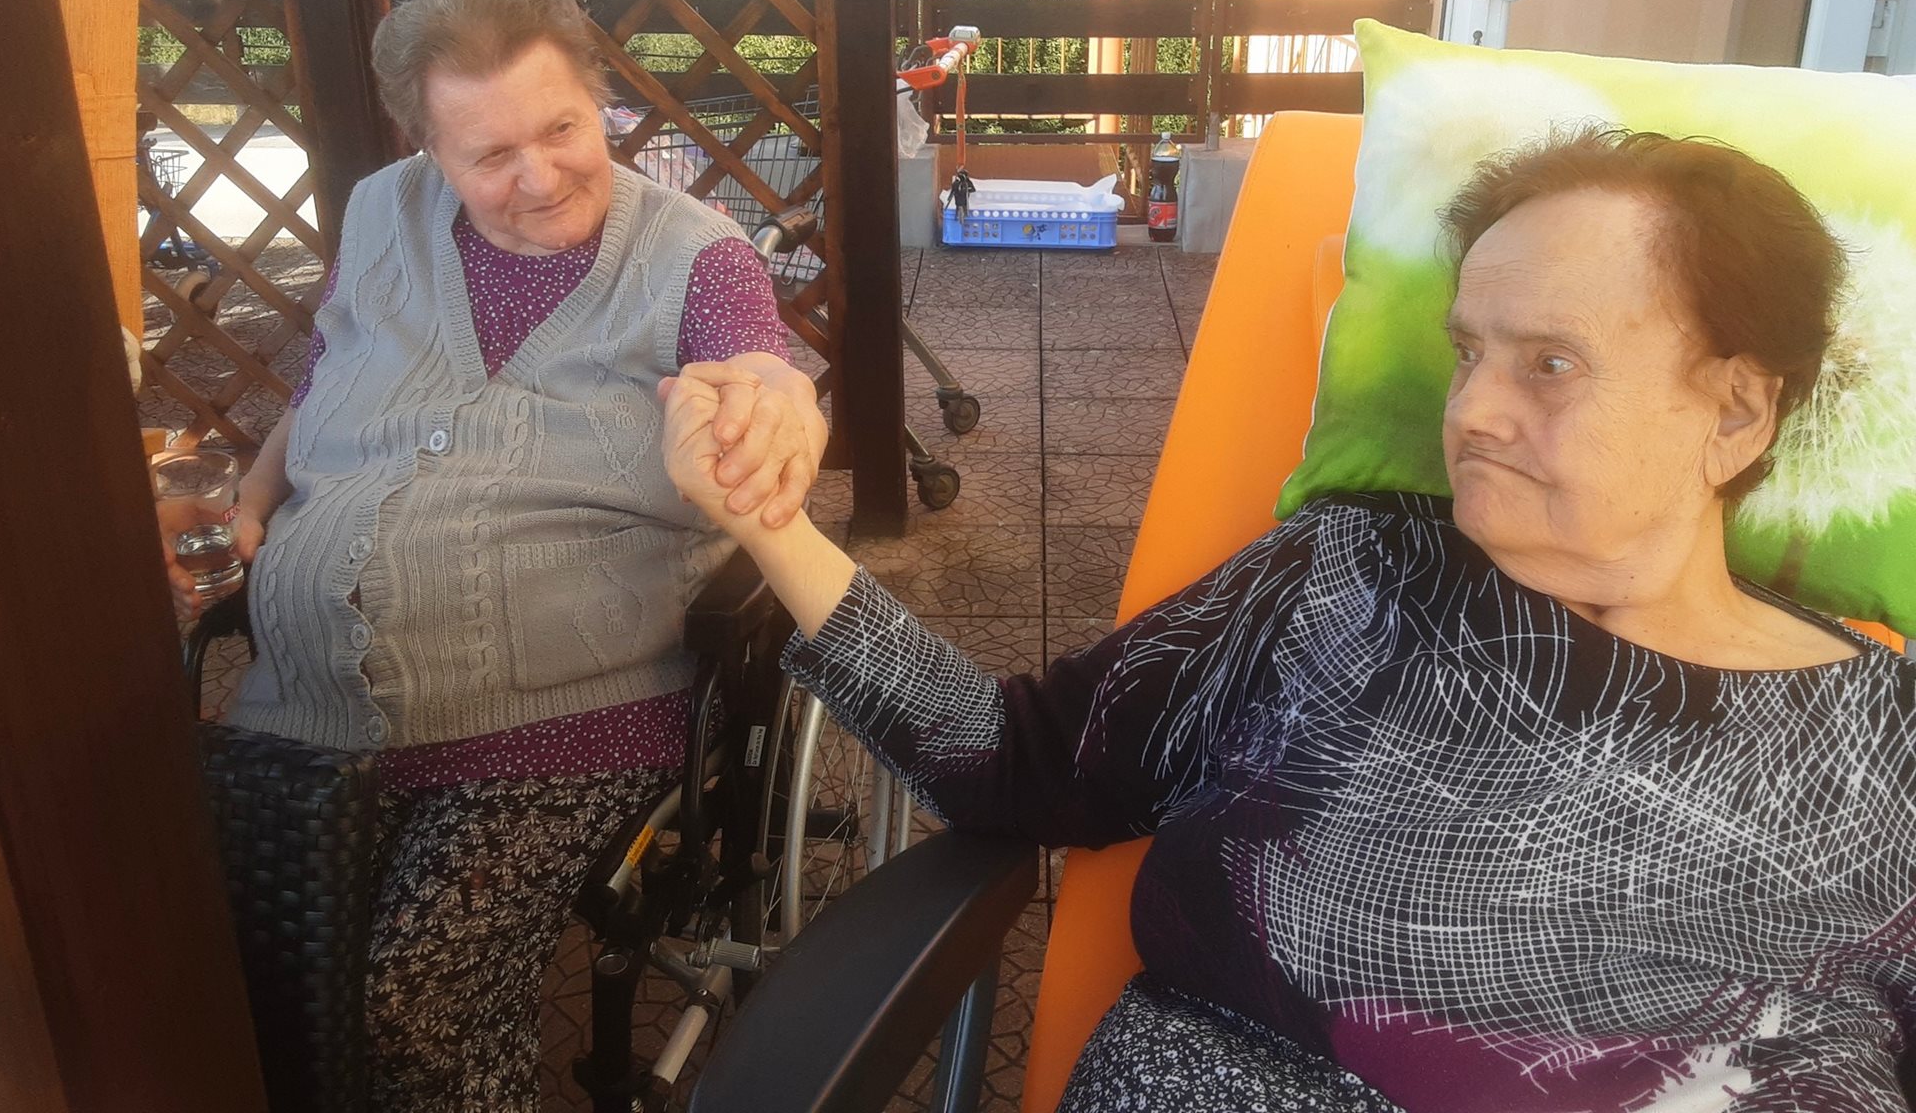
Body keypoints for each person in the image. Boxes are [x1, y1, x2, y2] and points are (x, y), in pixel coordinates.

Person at [662, 128, 1916, 1112]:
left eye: (1549, 364)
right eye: (1467, 352)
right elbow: (1015, 760)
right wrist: (771, 522)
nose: (1471, 411)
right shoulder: (1355, 576)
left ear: (1737, 413)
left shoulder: (1889, 748)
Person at [165, 0, 825, 1111]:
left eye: (562, 129)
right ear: (428, 148)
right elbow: (325, 382)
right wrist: (254, 506)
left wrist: (778, 406)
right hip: (311, 701)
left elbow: (759, 367)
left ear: (600, 97)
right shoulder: (383, 213)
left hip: (560, 718)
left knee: (408, 1002)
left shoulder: (689, 255)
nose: (540, 177)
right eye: (489, 155)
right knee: (233, 972)